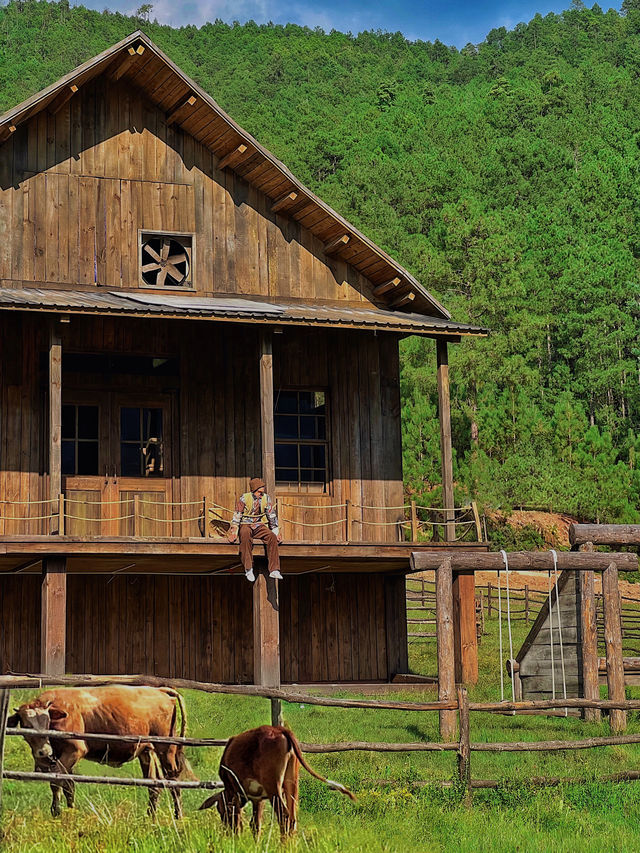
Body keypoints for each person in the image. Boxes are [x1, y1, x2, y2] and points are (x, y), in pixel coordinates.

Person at [228, 477, 283, 582]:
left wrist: (276, 532)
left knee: (271, 537)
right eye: (259, 492)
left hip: (259, 524)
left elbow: (271, 516)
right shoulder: (244, 498)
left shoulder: (266, 499)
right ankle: (248, 568)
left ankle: (274, 569)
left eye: (262, 492)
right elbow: (237, 515)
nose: (261, 494)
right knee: (245, 534)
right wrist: (234, 532)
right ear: (253, 490)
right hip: (246, 523)